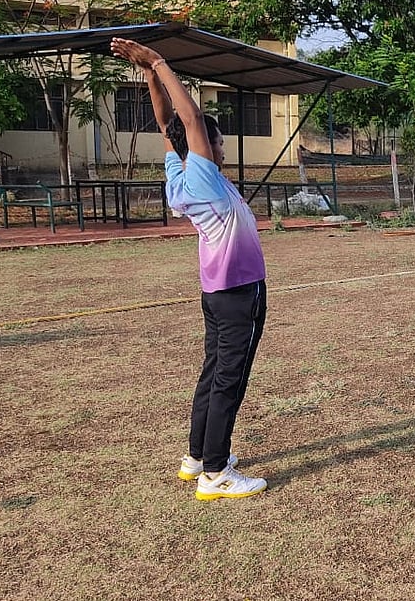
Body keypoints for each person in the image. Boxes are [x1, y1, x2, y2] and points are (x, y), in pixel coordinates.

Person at [110, 38, 268, 501]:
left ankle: (197, 456)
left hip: (216, 291)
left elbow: (168, 124)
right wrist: (158, 61)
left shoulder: (177, 173)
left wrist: (149, 77)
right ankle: (215, 473)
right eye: (215, 141)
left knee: (213, 370)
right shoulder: (198, 172)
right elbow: (189, 120)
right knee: (228, 378)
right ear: (207, 145)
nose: (218, 147)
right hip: (238, 290)